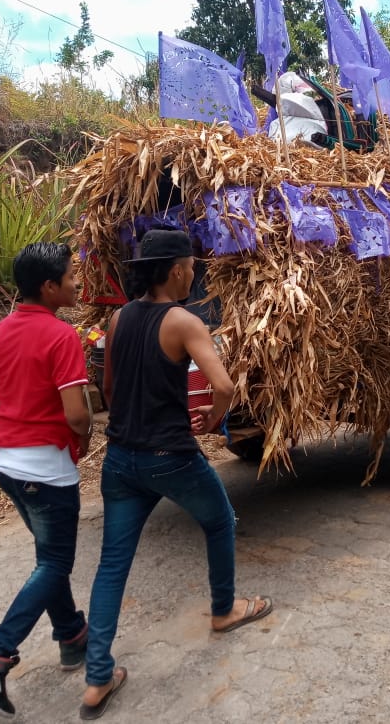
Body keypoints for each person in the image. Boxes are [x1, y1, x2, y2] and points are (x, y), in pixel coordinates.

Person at [80, 229, 272, 720]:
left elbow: (108, 385)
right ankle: (225, 610)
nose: (194, 273)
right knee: (220, 521)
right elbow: (224, 385)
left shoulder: (119, 318)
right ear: (175, 271)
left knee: (113, 565)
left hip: (121, 458)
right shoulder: (184, 321)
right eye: (190, 266)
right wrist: (214, 416)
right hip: (172, 457)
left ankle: (98, 678)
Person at [0, 242, 93, 719]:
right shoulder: (61, 336)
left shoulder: (0, 331)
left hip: (6, 463)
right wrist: (88, 432)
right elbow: (76, 414)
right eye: (72, 277)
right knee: (55, 563)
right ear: (49, 287)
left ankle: (73, 635)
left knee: (47, 558)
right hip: (45, 469)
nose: (77, 284)